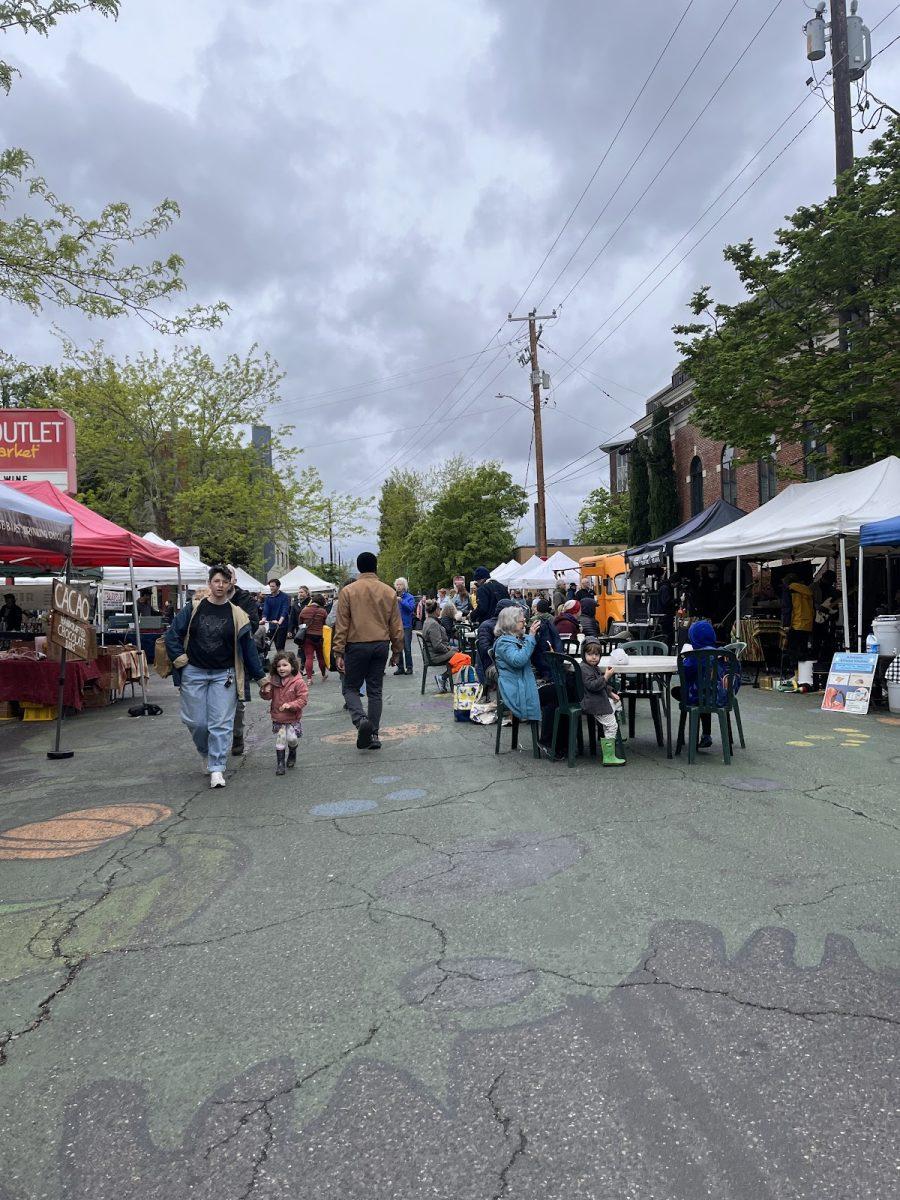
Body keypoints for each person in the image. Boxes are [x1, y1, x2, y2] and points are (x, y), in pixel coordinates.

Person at [165, 564, 266, 788]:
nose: (220, 585)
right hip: (194, 672)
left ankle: (217, 767)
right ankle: (206, 752)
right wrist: (179, 658)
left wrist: (261, 678)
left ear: (231, 584)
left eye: (225, 581)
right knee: (197, 722)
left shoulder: (238, 615)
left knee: (221, 723)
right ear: (209, 583)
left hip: (224, 675)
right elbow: (172, 634)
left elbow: (248, 649)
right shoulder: (193, 608)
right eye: (216, 581)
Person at [333, 551, 403, 749]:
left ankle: (360, 719)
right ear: (376, 567)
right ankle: (374, 734)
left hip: (356, 645)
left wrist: (338, 651)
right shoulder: (389, 591)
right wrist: (397, 650)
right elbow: (396, 625)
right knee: (375, 691)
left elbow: (342, 625)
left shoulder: (347, 591)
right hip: (381, 644)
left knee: (350, 687)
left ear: (358, 568)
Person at [226, 564, 261, 757]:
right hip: (212, 661)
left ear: (234, 580)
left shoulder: (243, 598)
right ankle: (218, 741)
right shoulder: (206, 600)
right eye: (218, 579)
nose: (222, 583)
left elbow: (253, 624)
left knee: (238, 703)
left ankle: (237, 735)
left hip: (238, 657)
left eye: (227, 577)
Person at [493, 605, 543, 737]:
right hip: (516, 688)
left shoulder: (514, 639)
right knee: (557, 698)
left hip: (520, 682)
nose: (525, 623)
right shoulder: (504, 643)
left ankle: (552, 742)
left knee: (557, 693)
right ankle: (549, 741)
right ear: (511, 623)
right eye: (522, 621)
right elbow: (518, 660)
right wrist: (531, 637)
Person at [259, 650, 309, 774]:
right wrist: (265, 689)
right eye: (278, 666)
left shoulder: (298, 682)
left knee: (292, 739)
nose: (281, 668)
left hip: (292, 718)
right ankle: (280, 764)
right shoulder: (274, 681)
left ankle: (292, 752)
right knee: (280, 740)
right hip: (279, 717)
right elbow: (267, 697)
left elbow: (302, 700)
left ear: (292, 666)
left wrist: (290, 705)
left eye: (285, 665)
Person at [580, 639, 626, 766]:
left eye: (597, 654)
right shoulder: (585, 669)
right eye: (590, 654)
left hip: (598, 699)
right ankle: (609, 756)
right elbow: (593, 685)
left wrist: (610, 692)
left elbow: (601, 685)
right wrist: (606, 677)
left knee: (616, 702)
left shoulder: (591, 667)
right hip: (594, 703)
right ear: (583, 654)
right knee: (612, 725)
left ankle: (611, 737)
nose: (594, 657)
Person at [475, 598, 516, 689]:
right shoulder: (487, 626)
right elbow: (485, 649)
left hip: (503, 662)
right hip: (491, 665)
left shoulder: (509, 625)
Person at [422, 598, 456, 691]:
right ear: (436, 610)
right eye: (439, 609)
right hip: (435, 656)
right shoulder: (433, 624)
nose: (440, 611)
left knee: (459, 654)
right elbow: (437, 645)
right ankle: (443, 677)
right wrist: (449, 649)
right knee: (465, 658)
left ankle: (443, 678)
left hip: (432, 653)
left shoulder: (428, 621)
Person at [298, 591, 329, 683]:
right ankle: (323, 675)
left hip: (307, 637)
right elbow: (326, 624)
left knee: (309, 657)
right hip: (319, 637)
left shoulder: (304, 610)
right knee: (320, 657)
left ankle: (309, 679)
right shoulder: (323, 611)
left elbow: (300, 624)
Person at [530, 597, 563, 681]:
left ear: (537, 608)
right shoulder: (553, 618)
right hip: (552, 653)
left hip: (541, 658)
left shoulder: (533, 620)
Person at [394, 577, 416, 676]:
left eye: (400, 584)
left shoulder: (409, 597)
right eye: (397, 584)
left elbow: (411, 608)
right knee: (398, 647)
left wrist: (401, 601)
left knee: (407, 647)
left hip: (406, 625)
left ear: (404, 586)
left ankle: (409, 667)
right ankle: (400, 667)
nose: (398, 586)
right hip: (396, 625)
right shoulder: (393, 596)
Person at [262, 578, 291, 652]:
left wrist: (280, 621)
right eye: (270, 586)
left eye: (273, 586)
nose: (271, 588)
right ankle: (279, 660)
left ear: (278, 587)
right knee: (270, 645)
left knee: (280, 646)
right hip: (272, 624)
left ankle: (282, 661)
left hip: (282, 625)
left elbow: (285, 610)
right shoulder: (268, 598)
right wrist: (263, 619)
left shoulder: (285, 597)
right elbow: (266, 610)